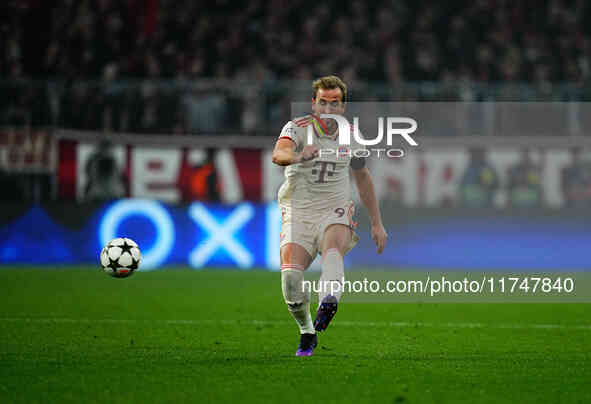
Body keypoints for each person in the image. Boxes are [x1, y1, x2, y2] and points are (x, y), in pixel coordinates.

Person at [271, 76, 387, 356]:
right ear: (314, 104)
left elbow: (362, 177)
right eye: (323, 102)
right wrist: (300, 157)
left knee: (333, 247)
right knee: (291, 281)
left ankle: (330, 300)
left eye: (334, 103)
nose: (328, 109)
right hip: (298, 210)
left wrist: (376, 222)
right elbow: (279, 154)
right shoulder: (296, 128)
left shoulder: (353, 135)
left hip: (334, 207)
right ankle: (307, 331)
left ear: (343, 107)